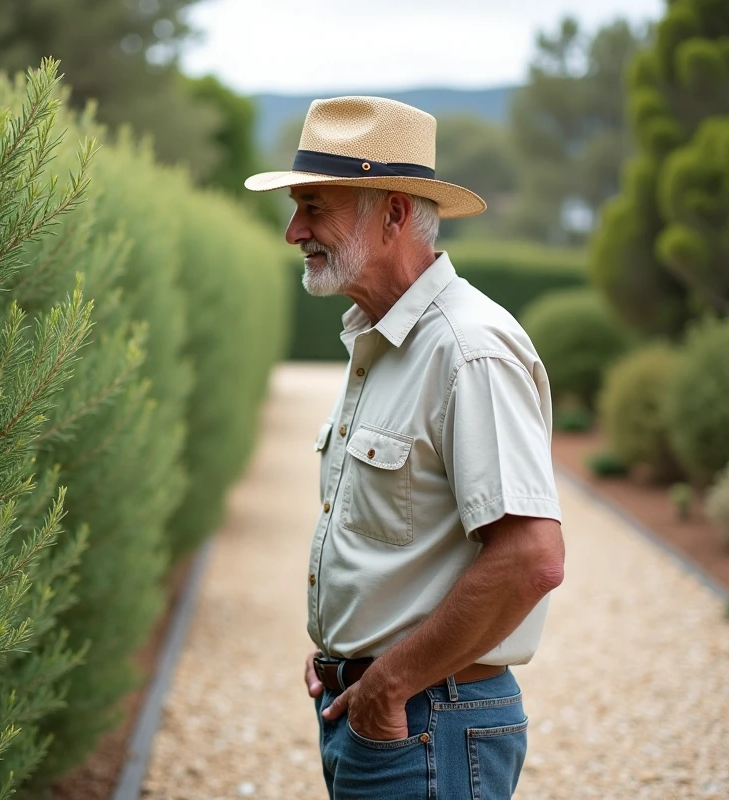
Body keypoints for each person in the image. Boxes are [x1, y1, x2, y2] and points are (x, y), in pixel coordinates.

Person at [244, 96, 565, 799]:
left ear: (393, 214)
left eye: (315, 207)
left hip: (424, 718)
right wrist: (346, 647)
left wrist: (386, 684)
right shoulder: (385, 339)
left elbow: (531, 559)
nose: (294, 230)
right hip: (388, 712)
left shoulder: (467, 349)